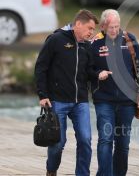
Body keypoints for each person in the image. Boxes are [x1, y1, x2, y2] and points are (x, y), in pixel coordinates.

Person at [34, 9, 110, 176]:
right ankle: (51, 170)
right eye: (89, 28)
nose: (92, 32)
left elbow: (89, 70)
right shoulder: (56, 39)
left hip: (80, 101)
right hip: (57, 100)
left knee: (85, 140)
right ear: (78, 24)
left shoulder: (87, 45)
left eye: (93, 29)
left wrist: (98, 74)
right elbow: (41, 67)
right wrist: (43, 95)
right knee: (58, 144)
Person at [90, 9, 139, 176]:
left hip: (127, 101)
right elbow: (87, 70)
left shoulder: (130, 39)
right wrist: (97, 74)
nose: (115, 30)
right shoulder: (94, 43)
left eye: (117, 26)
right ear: (102, 26)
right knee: (105, 140)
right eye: (111, 27)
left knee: (123, 144)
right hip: (104, 101)